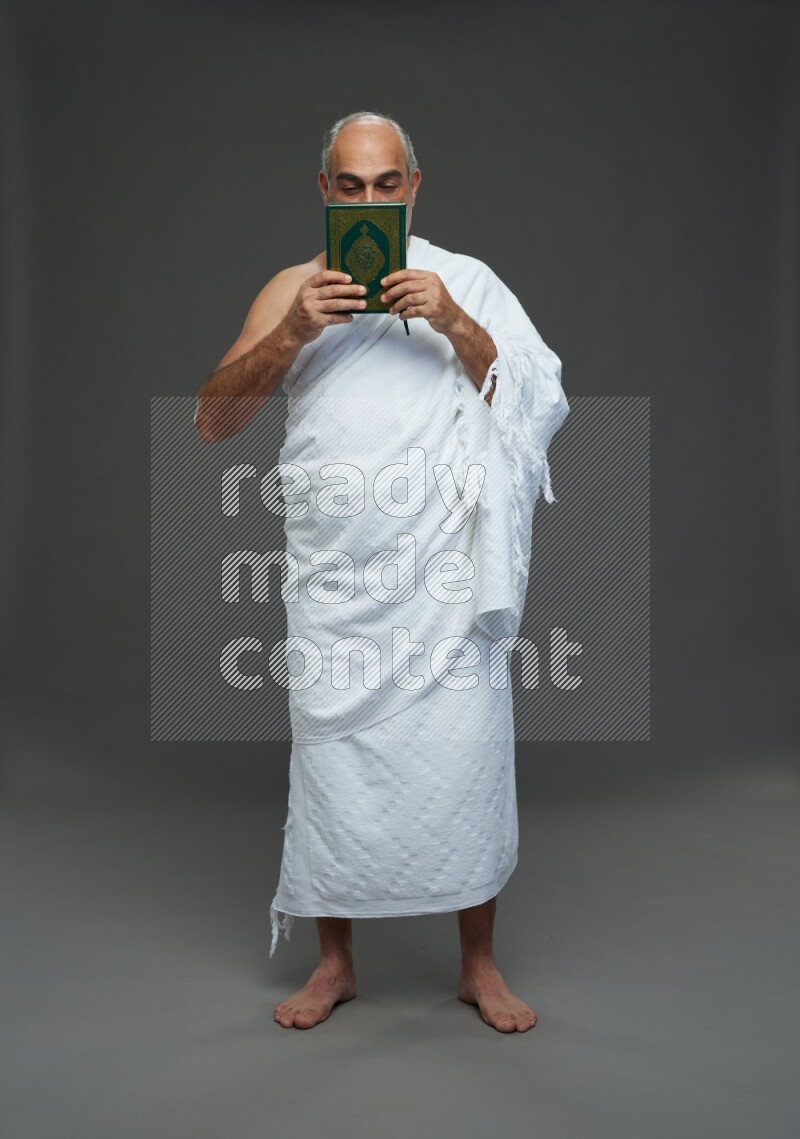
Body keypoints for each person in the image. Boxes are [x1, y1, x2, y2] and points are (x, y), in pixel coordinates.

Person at [194, 111, 569, 1033]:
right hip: (336, 581)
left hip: (442, 578)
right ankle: (335, 965)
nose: (369, 201)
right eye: (350, 186)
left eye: (386, 184)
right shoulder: (292, 288)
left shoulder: (464, 281)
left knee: (464, 757)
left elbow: (534, 393)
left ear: (413, 186)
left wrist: (451, 319)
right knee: (335, 764)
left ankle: (478, 963)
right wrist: (289, 333)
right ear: (325, 192)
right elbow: (212, 419)